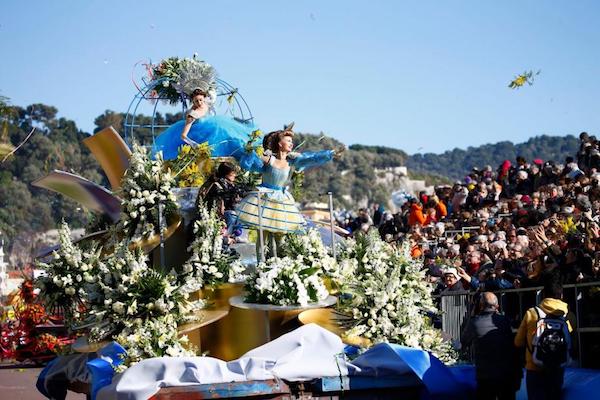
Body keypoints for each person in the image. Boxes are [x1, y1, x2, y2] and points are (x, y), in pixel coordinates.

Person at [236, 123, 343, 259]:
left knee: (281, 238)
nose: (291, 143)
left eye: (292, 141)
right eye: (288, 140)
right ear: (279, 143)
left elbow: (311, 158)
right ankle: (261, 266)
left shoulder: (291, 161)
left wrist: (330, 154)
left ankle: (279, 265)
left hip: (281, 200)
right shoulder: (269, 160)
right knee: (263, 237)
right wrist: (249, 150)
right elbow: (249, 164)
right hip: (265, 199)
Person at [151, 61, 257, 161]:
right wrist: (194, 144)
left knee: (227, 131)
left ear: (204, 98)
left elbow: (212, 100)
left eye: (201, 100)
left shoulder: (207, 104)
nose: (199, 103)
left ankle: (245, 150)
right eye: (196, 101)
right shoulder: (192, 114)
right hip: (199, 137)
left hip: (215, 131)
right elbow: (183, 135)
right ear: (192, 101)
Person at [514, 274, 573, 400]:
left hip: (534, 367)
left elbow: (518, 342)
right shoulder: (566, 314)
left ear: (543, 295)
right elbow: (569, 336)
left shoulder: (532, 313)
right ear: (561, 295)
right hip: (557, 367)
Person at [461, 292, 521, 400]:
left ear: (480, 306)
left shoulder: (475, 322)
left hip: (485, 375)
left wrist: (472, 315)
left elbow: (464, 340)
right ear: (497, 306)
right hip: (506, 374)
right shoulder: (506, 321)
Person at [197, 161, 242, 236]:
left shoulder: (229, 184)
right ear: (226, 174)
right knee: (232, 214)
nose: (234, 175)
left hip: (223, 212)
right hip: (213, 214)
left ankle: (234, 236)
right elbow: (216, 203)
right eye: (232, 173)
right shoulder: (216, 185)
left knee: (239, 211)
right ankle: (227, 238)